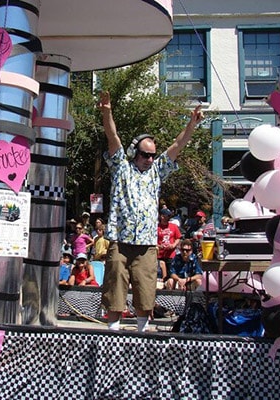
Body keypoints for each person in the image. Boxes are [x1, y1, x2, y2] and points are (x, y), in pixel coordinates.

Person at [98, 91, 203, 332]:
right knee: (115, 288)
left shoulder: (157, 171)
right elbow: (112, 136)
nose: (150, 159)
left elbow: (177, 145)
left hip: (146, 243)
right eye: (145, 155)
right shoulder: (121, 167)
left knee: (146, 290)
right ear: (135, 152)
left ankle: (142, 331)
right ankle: (113, 333)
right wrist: (107, 112)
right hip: (120, 241)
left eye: (153, 155)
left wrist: (192, 124)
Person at [157, 208, 182, 279]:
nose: (169, 218)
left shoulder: (173, 226)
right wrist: (159, 246)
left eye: (169, 216)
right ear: (162, 216)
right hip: (160, 255)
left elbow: (178, 237)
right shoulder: (157, 227)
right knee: (161, 275)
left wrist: (173, 245)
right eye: (167, 216)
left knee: (171, 273)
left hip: (171, 255)